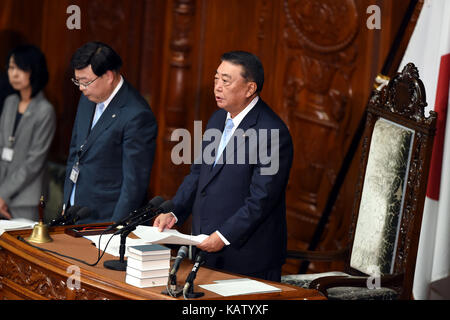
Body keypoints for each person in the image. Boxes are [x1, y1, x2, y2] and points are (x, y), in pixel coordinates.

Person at [154, 51, 293, 281]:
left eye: (226, 81)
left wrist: (224, 235)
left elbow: (262, 199)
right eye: (216, 78)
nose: (217, 86)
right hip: (205, 248)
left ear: (250, 89)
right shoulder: (218, 119)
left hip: (246, 257)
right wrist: (175, 212)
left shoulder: (273, 133)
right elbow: (198, 174)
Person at [62, 42, 157, 224]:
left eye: (85, 82)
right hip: (74, 213)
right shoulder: (88, 98)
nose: (81, 88)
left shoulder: (137, 114)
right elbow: (75, 152)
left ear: (108, 76)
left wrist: (114, 228)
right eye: (77, 81)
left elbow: (133, 184)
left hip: (104, 219)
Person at [0, 45, 56, 221]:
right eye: (11, 67)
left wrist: (3, 195)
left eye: (21, 68)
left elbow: (33, 163)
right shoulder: (10, 102)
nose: (14, 74)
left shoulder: (45, 110)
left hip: (26, 199)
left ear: (34, 71)